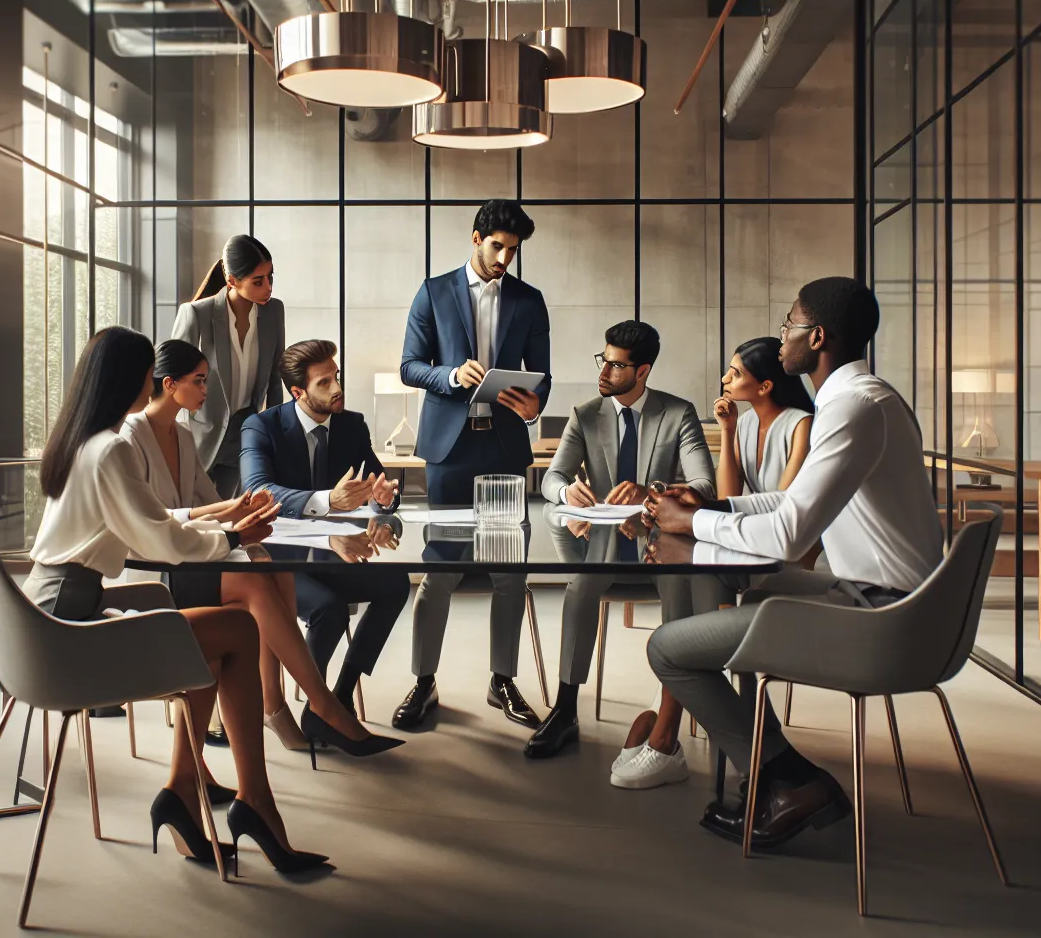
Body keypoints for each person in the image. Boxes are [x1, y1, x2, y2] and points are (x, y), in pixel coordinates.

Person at [641, 277, 943, 852]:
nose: (781, 338)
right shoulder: (867, 399)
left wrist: (691, 524)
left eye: (788, 325)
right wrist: (714, 506)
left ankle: (789, 780)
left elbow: (788, 533)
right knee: (753, 597)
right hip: (883, 598)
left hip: (886, 620)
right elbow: (792, 500)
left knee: (668, 649)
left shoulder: (851, 409)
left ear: (818, 336)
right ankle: (777, 777)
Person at [25, 326, 327, 873]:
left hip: (52, 609)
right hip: (67, 630)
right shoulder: (112, 448)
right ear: (134, 381)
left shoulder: (80, 444)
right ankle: (250, 803)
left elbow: (157, 520)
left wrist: (223, 520)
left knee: (217, 635)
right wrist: (235, 538)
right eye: (147, 376)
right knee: (237, 629)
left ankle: (186, 791)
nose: (151, 385)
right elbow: (161, 542)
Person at [118, 338, 403, 760]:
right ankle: (310, 707)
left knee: (275, 569)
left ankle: (317, 702)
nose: (207, 391)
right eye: (199, 381)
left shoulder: (181, 434)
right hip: (162, 567)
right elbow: (153, 519)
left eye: (336, 378)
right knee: (264, 584)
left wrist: (380, 498)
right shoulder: (133, 438)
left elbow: (210, 501)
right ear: (169, 383)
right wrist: (249, 510)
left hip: (209, 554)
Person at [530, 321, 721, 779]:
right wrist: (565, 494)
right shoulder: (586, 413)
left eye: (617, 366)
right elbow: (552, 478)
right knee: (580, 590)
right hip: (603, 545)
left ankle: (670, 712)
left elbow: (704, 484)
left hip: (663, 545)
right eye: (605, 360)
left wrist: (651, 492)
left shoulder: (678, 414)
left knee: (679, 589)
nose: (605, 371)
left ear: (643, 371)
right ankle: (566, 709)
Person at [395, 199, 553, 732]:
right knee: (439, 573)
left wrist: (536, 404)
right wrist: (448, 377)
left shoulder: (530, 300)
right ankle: (423, 681)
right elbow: (409, 366)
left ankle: (502, 680)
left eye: (514, 249)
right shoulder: (433, 291)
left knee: (509, 574)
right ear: (475, 237)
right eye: (497, 246)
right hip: (449, 451)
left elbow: (543, 376)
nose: (505, 257)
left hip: (505, 449)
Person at [241, 339, 410, 717]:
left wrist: (381, 499)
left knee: (396, 583)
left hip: (330, 553)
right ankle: (318, 705)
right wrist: (327, 500)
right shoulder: (261, 426)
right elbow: (257, 491)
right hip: (275, 560)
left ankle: (341, 692)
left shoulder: (352, 425)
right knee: (329, 610)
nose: (337, 388)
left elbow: (375, 485)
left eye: (336, 377)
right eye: (324, 383)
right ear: (297, 391)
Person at [171, 235, 286, 499]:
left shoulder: (274, 312)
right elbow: (172, 380)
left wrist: (276, 434)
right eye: (258, 281)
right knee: (196, 516)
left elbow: (274, 379)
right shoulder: (197, 314)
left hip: (244, 435)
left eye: (270, 277)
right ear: (232, 281)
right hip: (201, 436)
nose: (268, 287)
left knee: (231, 518)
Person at [714, 336, 815, 500]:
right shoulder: (745, 422)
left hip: (787, 521)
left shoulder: (801, 424)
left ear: (764, 387)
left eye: (736, 374)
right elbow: (727, 497)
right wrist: (728, 429)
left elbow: (784, 502)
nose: (725, 379)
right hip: (758, 520)